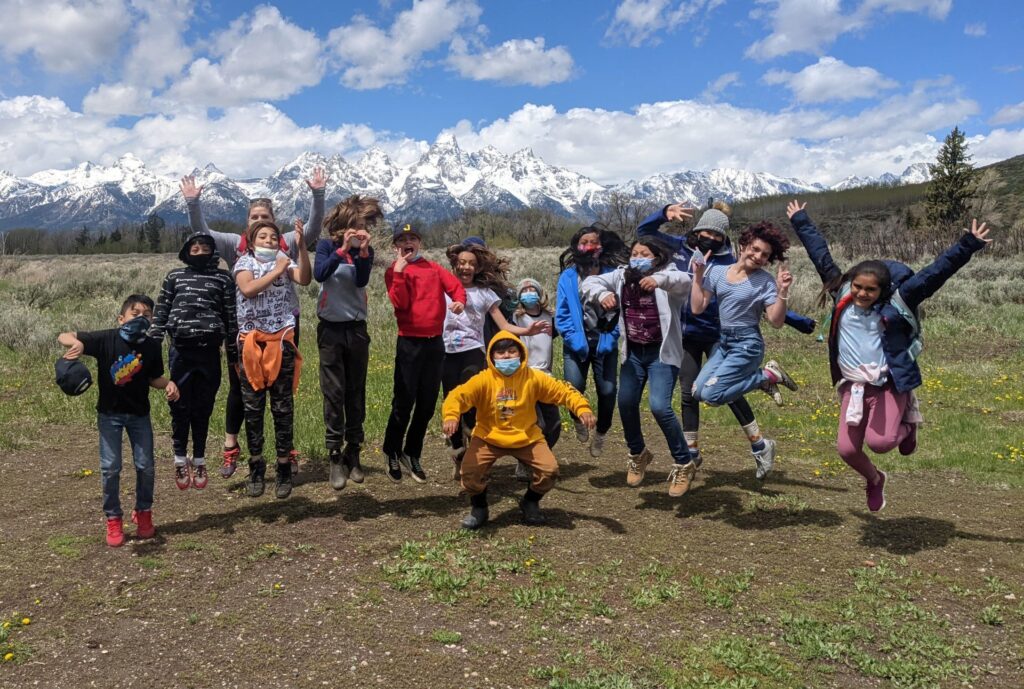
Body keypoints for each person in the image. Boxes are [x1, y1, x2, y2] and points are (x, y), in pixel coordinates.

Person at [787, 200, 993, 511]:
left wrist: (969, 244)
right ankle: (874, 479)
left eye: (870, 290)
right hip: (853, 386)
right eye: (858, 286)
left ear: (882, 291)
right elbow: (820, 255)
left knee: (881, 443)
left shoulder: (900, 301)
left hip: (889, 385)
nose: (861, 294)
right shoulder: (841, 293)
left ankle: (909, 424)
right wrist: (800, 220)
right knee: (846, 449)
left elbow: (935, 273)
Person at [638, 201, 816, 478]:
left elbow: (756, 301)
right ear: (698, 230)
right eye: (707, 232)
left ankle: (759, 441)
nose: (711, 238)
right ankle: (692, 452)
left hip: (717, 334)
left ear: (727, 239)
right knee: (691, 392)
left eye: (718, 235)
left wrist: (798, 320)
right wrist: (664, 213)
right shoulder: (679, 247)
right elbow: (644, 232)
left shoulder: (724, 261)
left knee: (724, 391)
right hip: (686, 333)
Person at [179, 170, 326, 478]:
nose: (260, 221)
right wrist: (193, 203)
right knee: (243, 388)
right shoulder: (235, 246)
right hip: (244, 327)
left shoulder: (281, 242)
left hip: (285, 325)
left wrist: (317, 195)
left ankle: (286, 451)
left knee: (281, 389)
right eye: (254, 216)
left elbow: (310, 232)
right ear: (248, 221)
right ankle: (233, 448)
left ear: (273, 219)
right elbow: (202, 231)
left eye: (265, 216)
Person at [57, 295, 179, 547]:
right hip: (109, 415)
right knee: (110, 467)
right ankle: (113, 518)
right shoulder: (106, 339)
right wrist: (76, 344)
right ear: (121, 318)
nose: (141, 319)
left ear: (152, 320)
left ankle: (143, 512)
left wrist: (168, 384)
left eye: (146, 315)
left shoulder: (152, 346)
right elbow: (64, 335)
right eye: (135, 314)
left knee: (146, 466)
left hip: (139, 415)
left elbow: (153, 378)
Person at [441, 332, 596, 529]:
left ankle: (530, 501)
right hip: (488, 436)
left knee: (550, 471)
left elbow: (563, 390)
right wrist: (451, 415)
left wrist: (582, 408)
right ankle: (479, 508)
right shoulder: (483, 379)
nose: (506, 356)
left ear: (521, 354)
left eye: (512, 351)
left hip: (526, 437)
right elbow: (457, 396)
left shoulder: (532, 377)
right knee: (469, 472)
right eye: (501, 353)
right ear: (491, 356)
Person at [583, 238, 697, 496]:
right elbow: (589, 282)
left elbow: (685, 282)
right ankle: (638, 453)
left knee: (659, 406)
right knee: (625, 403)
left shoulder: (668, 277)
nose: (637, 257)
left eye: (644, 254)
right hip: (633, 353)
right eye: (634, 253)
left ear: (656, 258)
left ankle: (684, 462)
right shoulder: (622, 276)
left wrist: (660, 281)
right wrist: (602, 294)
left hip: (661, 355)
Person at [688, 220, 799, 464]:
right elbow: (697, 307)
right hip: (725, 342)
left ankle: (766, 376)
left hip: (747, 344)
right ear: (743, 245)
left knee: (713, 395)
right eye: (755, 249)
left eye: (765, 255)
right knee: (697, 392)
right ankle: (765, 379)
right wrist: (697, 276)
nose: (759, 257)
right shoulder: (716, 272)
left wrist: (782, 291)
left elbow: (776, 321)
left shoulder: (765, 282)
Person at [443, 243, 549, 480]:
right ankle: (458, 453)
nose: (466, 267)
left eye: (471, 263)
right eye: (461, 262)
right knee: (450, 404)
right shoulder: (443, 289)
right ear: (454, 265)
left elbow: (503, 325)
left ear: (478, 267)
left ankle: (474, 457)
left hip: (472, 352)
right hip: (445, 354)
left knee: (471, 405)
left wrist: (527, 331)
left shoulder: (484, 293)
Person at [148, 233, 238, 491]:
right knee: (179, 404)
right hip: (181, 352)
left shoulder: (223, 278)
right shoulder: (174, 277)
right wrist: (152, 347)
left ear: (213, 252)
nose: (199, 251)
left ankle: (199, 458)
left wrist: (234, 354)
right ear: (186, 252)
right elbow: (161, 312)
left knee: (204, 406)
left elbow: (231, 318)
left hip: (210, 353)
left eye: (205, 247)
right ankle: (179, 457)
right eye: (194, 247)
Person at [234, 219, 312, 499]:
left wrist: (301, 247)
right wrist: (277, 270)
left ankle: (283, 466)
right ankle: (255, 465)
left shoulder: (284, 260)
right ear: (253, 241)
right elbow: (248, 289)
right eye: (262, 236)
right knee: (253, 409)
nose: (268, 240)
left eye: (273, 237)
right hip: (252, 344)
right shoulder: (244, 263)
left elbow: (304, 278)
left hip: (281, 341)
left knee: (282, 408)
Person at [383, 224, 466, 483]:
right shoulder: (393, 271)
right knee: (404, 401)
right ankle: (391, 450)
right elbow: (400, 304)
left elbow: (455, 287)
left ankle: (412, 452)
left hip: (434, 343)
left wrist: (459, 301)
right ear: (396, 246)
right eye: (402, 239)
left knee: (427, 404)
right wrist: (399, 273)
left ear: (419, 243)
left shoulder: (434, 268)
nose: (408, 242)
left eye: (413, 238)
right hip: (409, 342)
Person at [313, 195, 380, 490]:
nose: (360, 230)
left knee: (356, 391)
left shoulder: (367, 252)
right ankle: (334, 455)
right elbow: (320, 274)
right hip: (330, 329)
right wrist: (341, 250)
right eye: (356, 225)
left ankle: (354, 451)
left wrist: (362, 252)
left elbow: (362, 281)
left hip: (356, 330)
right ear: (343, 226)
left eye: (364, 225)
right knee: (334, 392)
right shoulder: (328, 247)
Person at [555, 225, 629, 457]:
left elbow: (620, 313)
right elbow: (562, 313)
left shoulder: (613, 274)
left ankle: (601, 432)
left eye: (594, 242)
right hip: (576, 345)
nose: (590, 246)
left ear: (601, 246)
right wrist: (572, 338)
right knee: (573, 387)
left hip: (605, 344)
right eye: (584, 242)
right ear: (577, 246)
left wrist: (612, 337)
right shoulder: (568, 277)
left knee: (607, 391)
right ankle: (577, 418)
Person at [512, 278, 560, 481]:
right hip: (524, 377)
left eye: (533, 289)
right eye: (525, 290)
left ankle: (540, 455)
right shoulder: (516, 317)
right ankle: (525, 462)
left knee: (554, 423)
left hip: (546, 377)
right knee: (534, 422)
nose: (529, 293)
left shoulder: (551, 316)